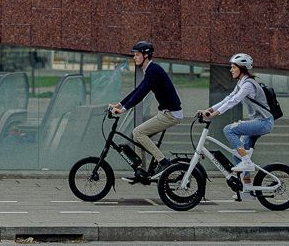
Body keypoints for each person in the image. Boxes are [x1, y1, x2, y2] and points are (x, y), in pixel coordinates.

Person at [197, 52, 273, 195]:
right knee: (238, 154)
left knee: (229, 130)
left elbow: (235, 101)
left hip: (263, 123)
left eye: (233, 67)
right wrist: (209, 110)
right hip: (257, 122)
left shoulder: (249, 85)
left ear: (242, 68)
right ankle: (248, 189)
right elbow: (228, 98)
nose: (231, 70)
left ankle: (247, 162)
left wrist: (214, 114)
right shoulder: (241, 83)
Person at [108, 41, 183, 183]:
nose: (134, 58)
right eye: (134, 55)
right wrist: (120, 104)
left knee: (138, 133)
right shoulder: (150, 70)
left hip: (171, 114)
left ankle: (163, 162)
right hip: (166, 112)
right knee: (138, 136)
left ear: (146, 55)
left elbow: (142, 92)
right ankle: (141, 171)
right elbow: (137, 90)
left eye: (137, 55)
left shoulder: (153, 71)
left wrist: (123, 109)